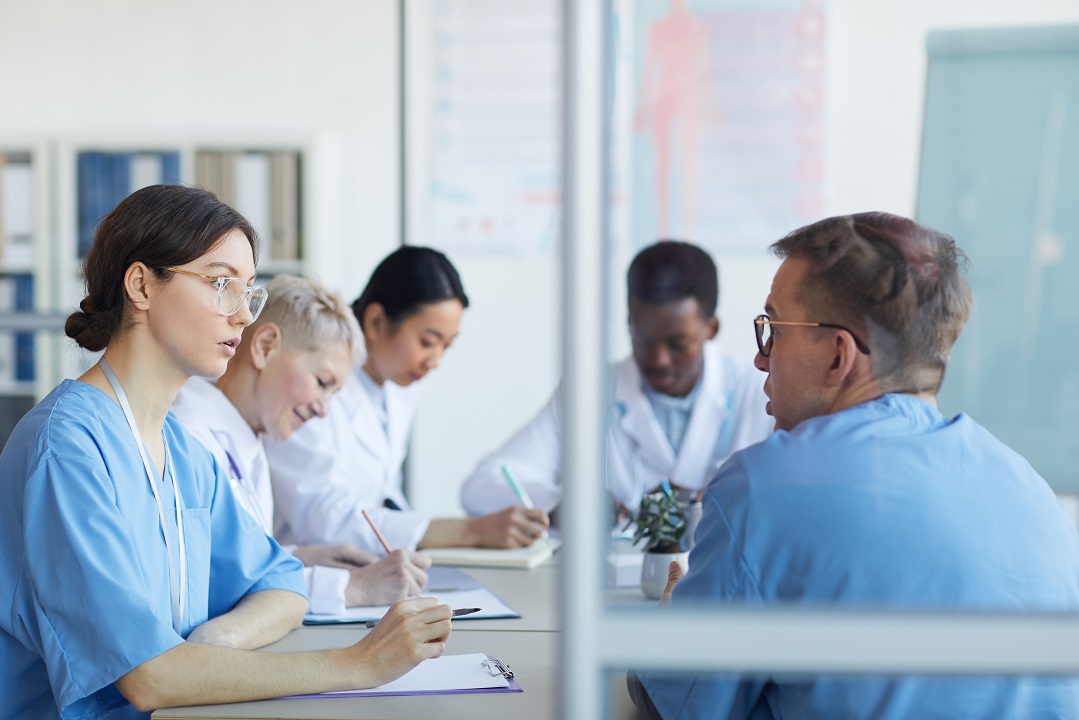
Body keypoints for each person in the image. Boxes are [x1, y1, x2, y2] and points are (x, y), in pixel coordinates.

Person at [0, 186, 451, 720]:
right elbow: (149, 677)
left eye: (248, 293)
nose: (242, 316)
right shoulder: (66, 449)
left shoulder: (181, 451)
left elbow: (281, 583)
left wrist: (216, 642)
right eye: (221, 285)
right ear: (142, 284)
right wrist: (359, 664)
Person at [631, 213, 1079, 718]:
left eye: (773, 329)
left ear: (837, 356)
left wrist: (665, 630)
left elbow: (678, 705)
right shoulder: (1032, 491)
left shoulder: (763, 488)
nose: (761, 359)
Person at [171, 274, 432, 614]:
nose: (323, 410)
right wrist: (349, 588)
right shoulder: (188, 437)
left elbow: (234, 558)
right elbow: (205, 585)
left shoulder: (248, 439)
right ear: (265, 346)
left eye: (334, 394)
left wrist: (294, 557)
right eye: (322, 382)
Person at [264, 246, 550, 554]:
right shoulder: (310, 386)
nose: (435, 361)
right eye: (428, 342)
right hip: (307, 566)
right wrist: (469, 531)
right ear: (375, 322)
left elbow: (385, 491)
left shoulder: (399, 386)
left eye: (446, 346)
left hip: (366, 563)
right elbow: (324, 519)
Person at [460, 240, 773, 519]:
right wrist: (564, 503)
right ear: (629, 323)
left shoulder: (758, 389)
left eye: (678, 343)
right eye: (643, 339)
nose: (659, 359)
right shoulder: (590, 392)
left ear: (711, 328)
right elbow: (481, 487)